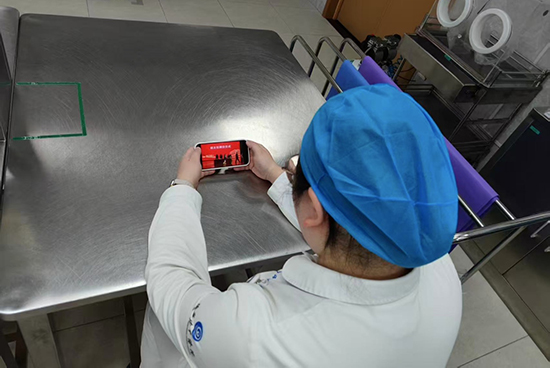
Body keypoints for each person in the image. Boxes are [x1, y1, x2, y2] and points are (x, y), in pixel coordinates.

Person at [141, 85, 462, 368]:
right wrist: (276, 177)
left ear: (315, 210)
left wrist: (182, 188)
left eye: (296, 174)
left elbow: (172, 283)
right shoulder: (440, 272)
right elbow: (366, 218)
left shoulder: (253, 335)